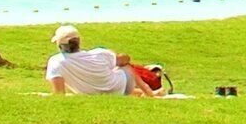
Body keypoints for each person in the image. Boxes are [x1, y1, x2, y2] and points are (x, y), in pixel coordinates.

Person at [42, 24, 170, 97]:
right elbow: (125, 60)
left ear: (60, 45)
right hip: (117, 87)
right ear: (78, 41)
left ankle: (147, 93)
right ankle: (148, 92)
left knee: (108, 84)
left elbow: (59, 92)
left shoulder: (56, 62)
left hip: (89, 92)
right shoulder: (100, 53)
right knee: (126, 68)